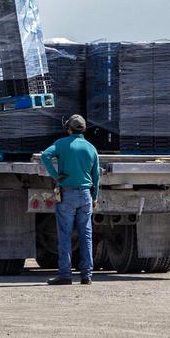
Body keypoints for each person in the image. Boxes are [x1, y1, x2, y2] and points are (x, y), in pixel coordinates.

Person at [40, 114, 100, 285]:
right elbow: (96, 176)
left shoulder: (61, 144)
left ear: (69, 129)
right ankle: (86, 275)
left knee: (65, 235)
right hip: (86, 195)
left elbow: (45, 156)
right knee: (86, 235)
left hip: (67, 194)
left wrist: (56, 176)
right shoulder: (91, 148)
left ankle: (65, 275)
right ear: (84, 130)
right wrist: (95, 197)